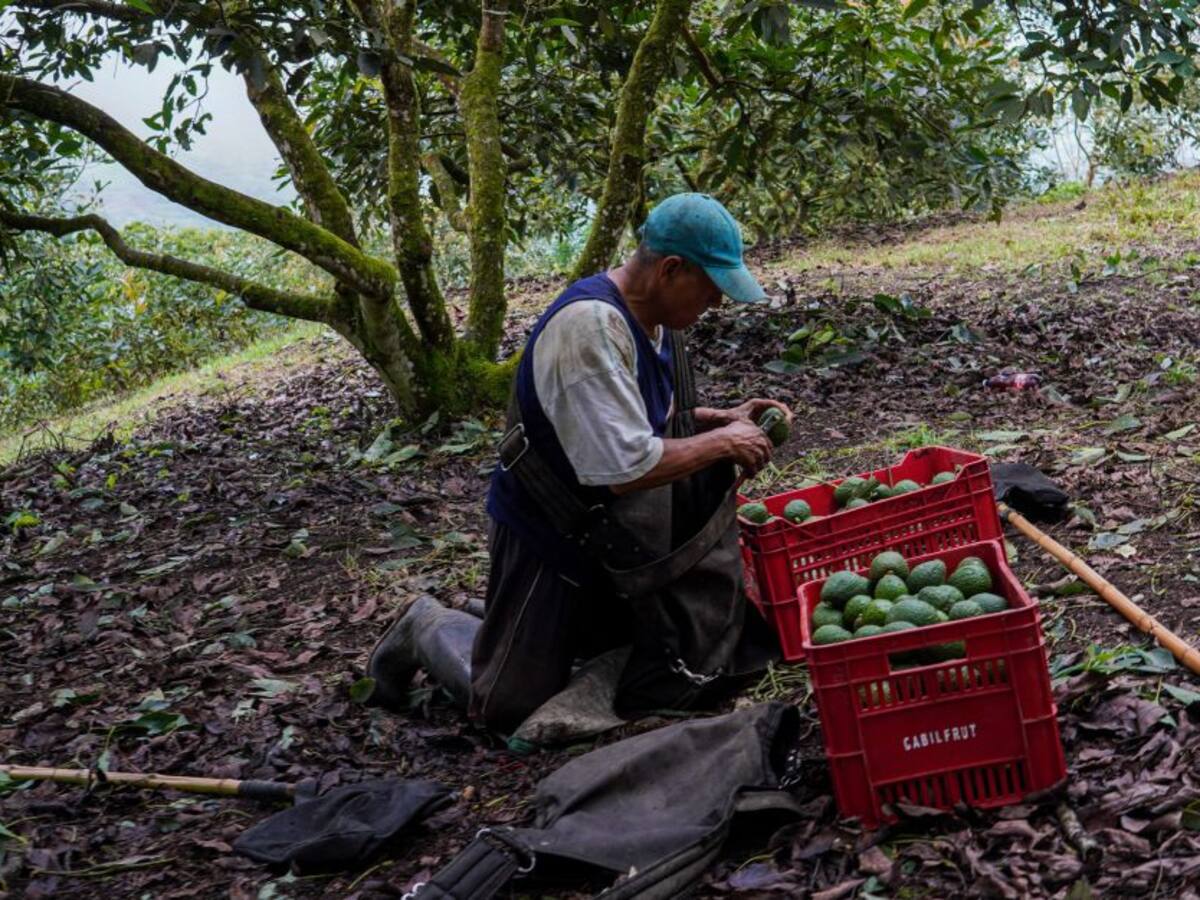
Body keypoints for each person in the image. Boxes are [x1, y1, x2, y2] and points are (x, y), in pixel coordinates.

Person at [366, 193, 790, 732]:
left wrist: (718, 419)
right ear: (670, 270)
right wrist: (726, 444)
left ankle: (508, 621)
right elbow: (623, 465)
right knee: (507, 704)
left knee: (628, 657)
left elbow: (633, 416)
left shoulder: (658, 324)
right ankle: (426, 624)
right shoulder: (589, 329)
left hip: (612, 536)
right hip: (552, 535)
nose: (716, 305)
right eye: (711, 291)